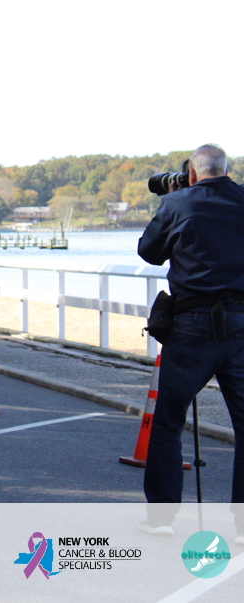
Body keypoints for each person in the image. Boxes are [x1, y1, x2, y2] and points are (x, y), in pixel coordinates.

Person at [137, 144, 244, 543]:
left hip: (191, 324)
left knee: (169, 421)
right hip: (242, 323)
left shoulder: (178, 203)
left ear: (193, 173)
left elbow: (149, 252)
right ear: (226, 170)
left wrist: (170, 202)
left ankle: (162, 517)